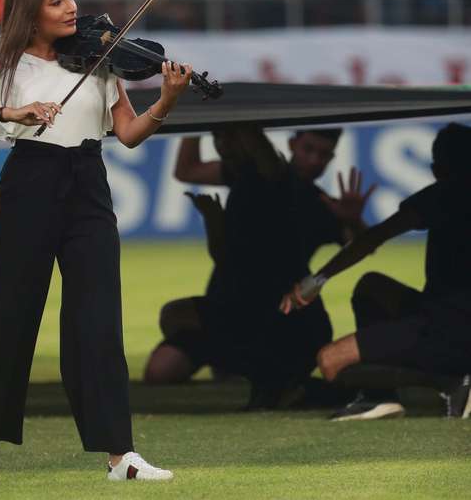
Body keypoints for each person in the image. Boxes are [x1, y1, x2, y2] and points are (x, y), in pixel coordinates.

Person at [0, 0, 193, 484]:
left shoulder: (99, 61)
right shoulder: (2, 62)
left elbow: (127, 132)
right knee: (7, 320)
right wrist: (14, 112)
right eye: (57, 1)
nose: (71, 7)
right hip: (28, 184)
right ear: (30, 13)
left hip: (88, 185)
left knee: (98, 322)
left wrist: (165, 101)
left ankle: (120, 456)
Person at [144, 129, 373, 400]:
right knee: (163, 354)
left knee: (175, 318)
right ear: (291, 144)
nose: (314, 160)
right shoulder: (245, 176)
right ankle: (236, 365)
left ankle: (244, 367)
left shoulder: (308, 196)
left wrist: (353, 221)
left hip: (275, 315)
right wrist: (199, 125)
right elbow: (188, 171)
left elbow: (361, 244)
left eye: (323, 155)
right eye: (309, 149)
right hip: (236, 306)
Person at [281, 122, 471, 420]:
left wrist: (317, 279)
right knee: (373, 287)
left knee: (329, 362)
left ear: (437, 170)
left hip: (448, 328)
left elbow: (375, 237)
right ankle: (380, 395)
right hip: (445, 318)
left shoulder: (445, 193)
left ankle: (451, 381)